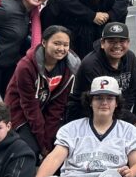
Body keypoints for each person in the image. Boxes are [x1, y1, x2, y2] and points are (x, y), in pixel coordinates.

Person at [4, 25, 81, 160]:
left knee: (58, 146)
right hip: (21, 112)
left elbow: (57, 106)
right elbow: (29, 106)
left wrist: (49, 142)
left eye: (65, 45)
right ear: (44, 43)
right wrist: (42, 143)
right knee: (30, 150)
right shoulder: (26, 66)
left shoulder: (69, 67)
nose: (61, 49)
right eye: (56, 43)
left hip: (45, 110)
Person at [41, 0, 128, 59]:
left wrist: (109, 15)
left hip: (100, 59)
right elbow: (47, 28)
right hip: (67, 56)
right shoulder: (66, 4)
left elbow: (118, 33)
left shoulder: (110, 3)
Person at [66, 22, 136, 125]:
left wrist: (122, 114)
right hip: (87, 112)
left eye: (122, 41)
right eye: (111, 41)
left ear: (128, 43)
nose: (117, 45)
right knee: (133, 122)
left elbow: (133, 90)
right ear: (102, 43)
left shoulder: (130, 57)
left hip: (115, 108)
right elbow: (96, 98)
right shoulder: (91, 64)